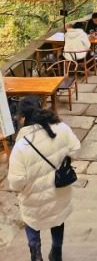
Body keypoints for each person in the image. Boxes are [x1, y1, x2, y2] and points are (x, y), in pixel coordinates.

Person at [8, 96, 80, 261]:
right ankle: (56, 253)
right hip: (60, 191)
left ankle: (36, 255)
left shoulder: (20, 147)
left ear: (23, 118)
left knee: (33, 224)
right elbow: (76, 150)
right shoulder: (61, 129)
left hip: (33, 199)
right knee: (57, 219)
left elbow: (16, 182)